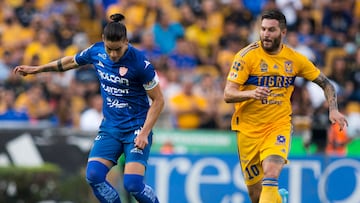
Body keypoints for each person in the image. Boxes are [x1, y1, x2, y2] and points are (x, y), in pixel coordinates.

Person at [14, 13, 164, 203]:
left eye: (118, 49)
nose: (113, 54)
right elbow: (70, 61)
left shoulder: (140, 64)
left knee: (133, 184)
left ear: (126, 41)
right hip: (111, 128)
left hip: (136, 129)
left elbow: (158, 100)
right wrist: (37, 69)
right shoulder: (97, 51)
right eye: (110, 49)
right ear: (103, 41)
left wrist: (144, 132)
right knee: (94, 176)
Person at [223, 10, 348, 203]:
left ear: (283, 33)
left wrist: (333, 109)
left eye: (271, 30)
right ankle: (278, 199)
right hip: (248, 131)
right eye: (263, 29)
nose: (265, 34)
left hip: (277, 126)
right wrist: (251, 93)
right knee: (256, 196)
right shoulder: (246, 56)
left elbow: (326, 84)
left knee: (271, 173)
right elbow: (228, 94)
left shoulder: (294, 59)